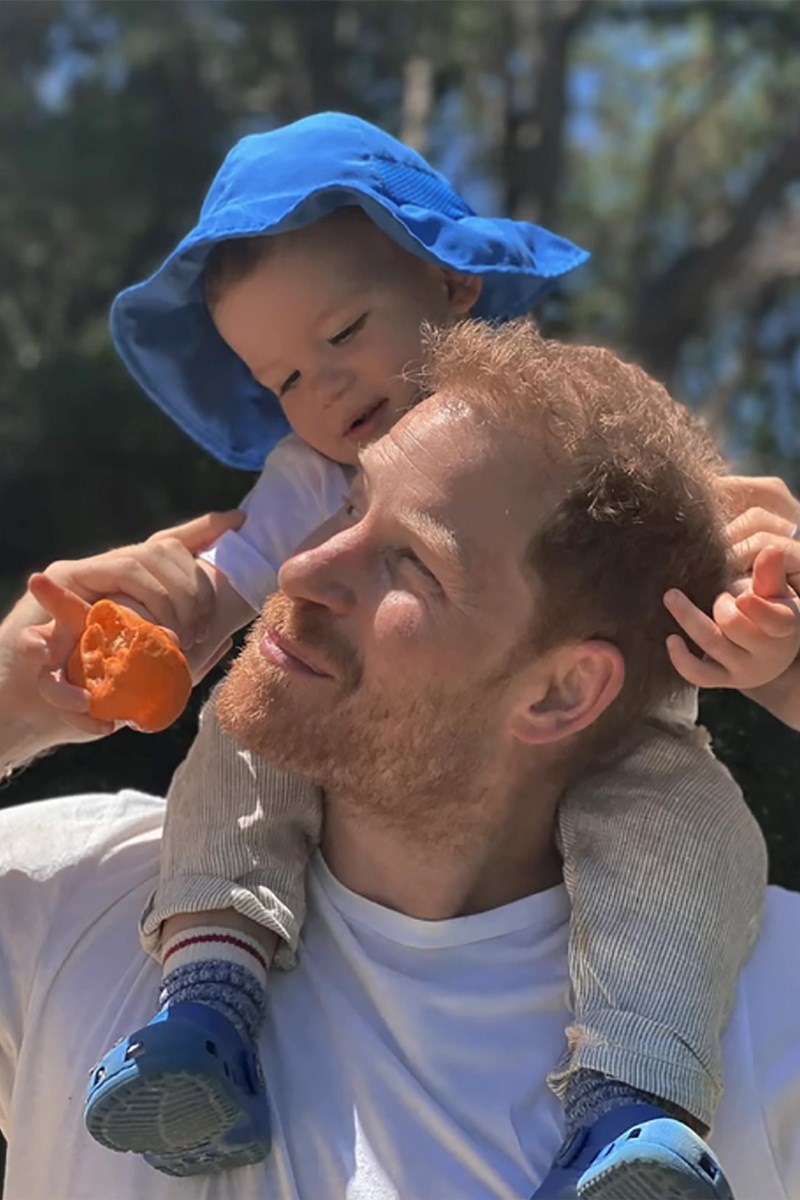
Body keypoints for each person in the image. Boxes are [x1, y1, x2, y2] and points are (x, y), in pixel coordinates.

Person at [13, 110, 800, 1198]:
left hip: (634, 753)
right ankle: (206, 998)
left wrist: (766, 633)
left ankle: (636, 1100)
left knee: (685, 821)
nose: (322, 393)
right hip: (272, 808)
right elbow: (228, 578)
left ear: (454, 285)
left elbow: (691, 560)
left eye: (341, 335)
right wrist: (97, 652)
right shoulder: (71, 905)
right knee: (242, 731)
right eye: (281, 379)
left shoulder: (570, 434)